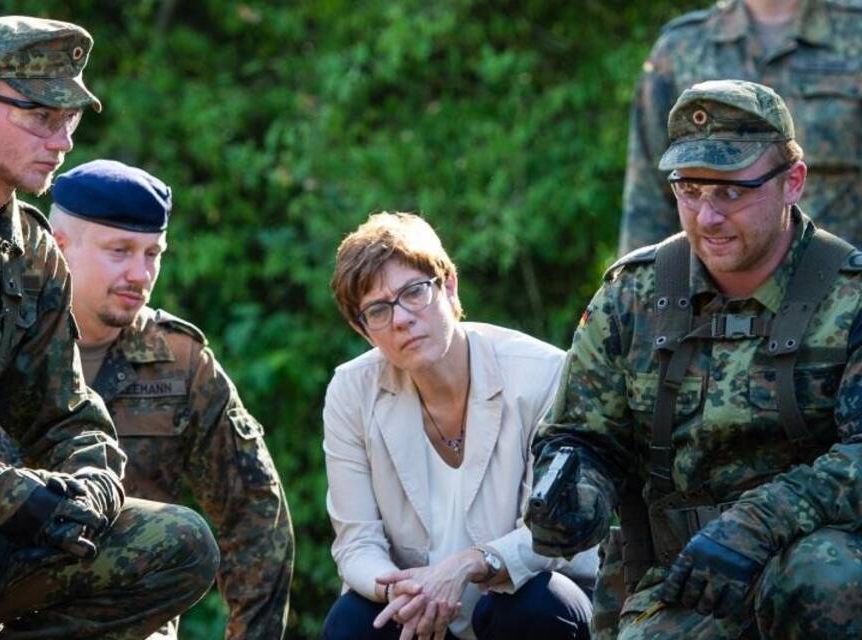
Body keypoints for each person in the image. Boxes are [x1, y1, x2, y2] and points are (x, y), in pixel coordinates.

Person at [0, 16, 218, 639]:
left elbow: (62, 411)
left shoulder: (33, 254)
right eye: (40, 116)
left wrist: (92, 483)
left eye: (69, 120)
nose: (63, 140)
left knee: (180, 544)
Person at [530, 79, 862, 639]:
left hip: (814, 566)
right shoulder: (633, 294)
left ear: (792, 183)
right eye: (689, 188)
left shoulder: (849, 296)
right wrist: (571, 498)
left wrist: (756, 525)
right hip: (679, 582)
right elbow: (581, 437)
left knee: (827, 578)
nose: (706, 216)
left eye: (731, 191)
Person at [37, 159, 294, 640]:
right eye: (120, 251)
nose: (141, 273)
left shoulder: (179, 362)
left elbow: (256, 516)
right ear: (58, 245)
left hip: (130, 623)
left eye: (153, 253)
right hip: (4, 612)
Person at [321, 212, 596, 640]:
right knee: (352, 622)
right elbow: (356, 543)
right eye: (377, 310)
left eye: (414, 292)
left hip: (526, 599)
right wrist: (401, 589)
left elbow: (553, 536)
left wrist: (471, 562)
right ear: (364, 330)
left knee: (537, 606)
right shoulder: (351, 391)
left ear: (448, 285)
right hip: (419, 609)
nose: (401, 319)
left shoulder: (543, 374)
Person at [618, 0, 862, 254]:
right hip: (714, 286)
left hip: (842, 281)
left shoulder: (855, 33)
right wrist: (641, 286)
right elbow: (649, 197)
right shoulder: (682, 48)